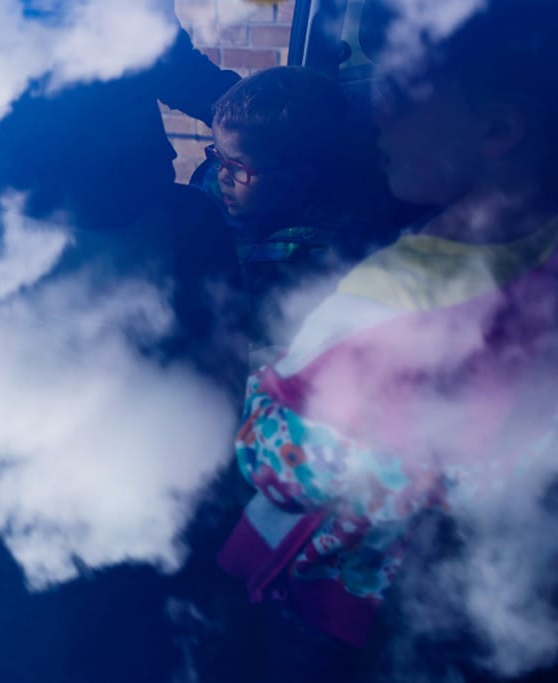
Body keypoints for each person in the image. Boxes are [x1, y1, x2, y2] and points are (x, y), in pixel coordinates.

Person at [215, 1, 558, 681]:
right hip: (453, 588)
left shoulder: (396, 294)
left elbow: (277, 462)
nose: (374, 112)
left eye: (399, 89)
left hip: (332, 590)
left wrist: (263, 382)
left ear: (497, 127)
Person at [193, 66, 401, 357]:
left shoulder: (327, 251)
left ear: (299, 177)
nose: (222, 176)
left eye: (238, 166)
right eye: (218, 158)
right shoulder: (205, 211)